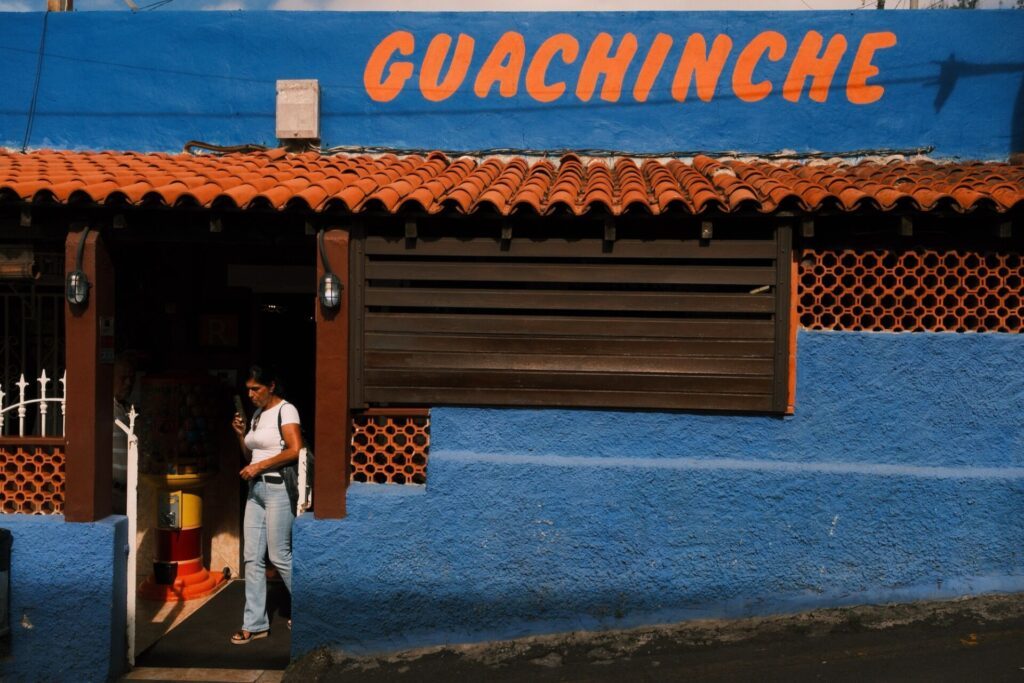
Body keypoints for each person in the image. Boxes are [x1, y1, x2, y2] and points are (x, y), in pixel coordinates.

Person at [230, 365, 301, 644]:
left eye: (256, 389)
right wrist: (240, 434)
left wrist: (258, 466)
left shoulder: (287, 410)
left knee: (280, 554)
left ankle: (310, 608)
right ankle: (255, 623)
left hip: (277, 488)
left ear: (271, 386)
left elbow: (295, 450)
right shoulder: (258, 415)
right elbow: (251, 454)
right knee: (252, 558)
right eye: (248, 389)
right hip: (256, 489)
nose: (250, 394)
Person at [112, 354, 137, 515]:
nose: (128, 383)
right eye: (123, 378)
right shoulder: (103, 407)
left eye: (131, 378)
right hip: (112, 492)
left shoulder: (129, 410)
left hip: (129, 492)